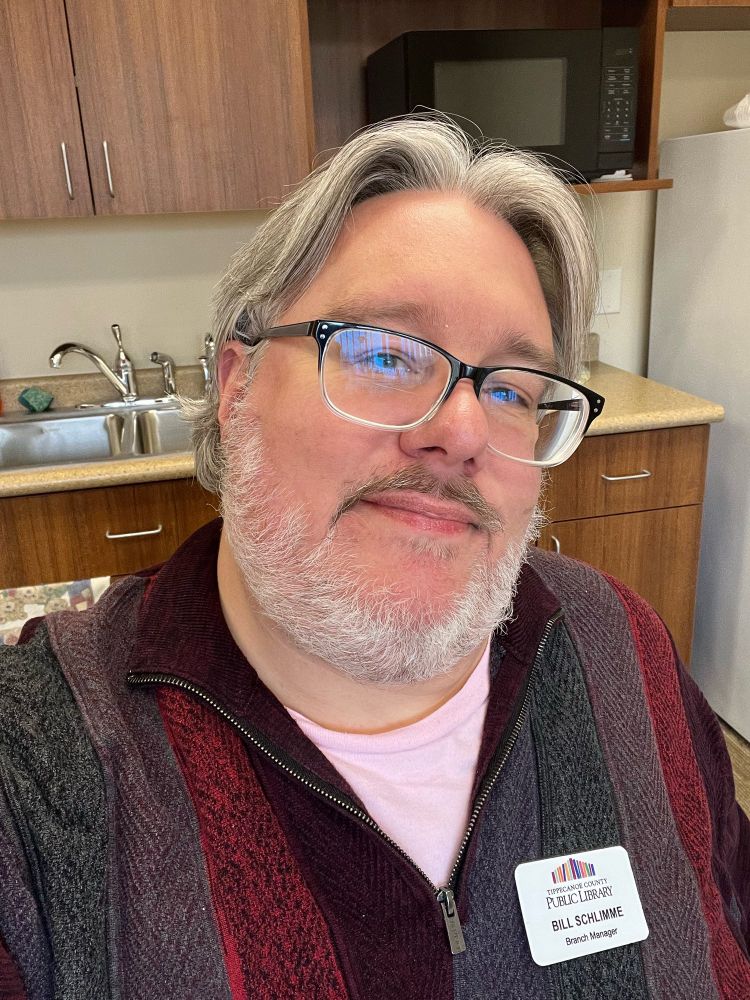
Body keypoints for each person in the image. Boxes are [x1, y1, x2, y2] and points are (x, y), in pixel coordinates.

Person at [0, 118, 748, 1000]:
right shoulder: (38, 775)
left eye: (510, 388)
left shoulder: (623, 650)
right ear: (237, 387)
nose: (462, 430)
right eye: (384, 353)